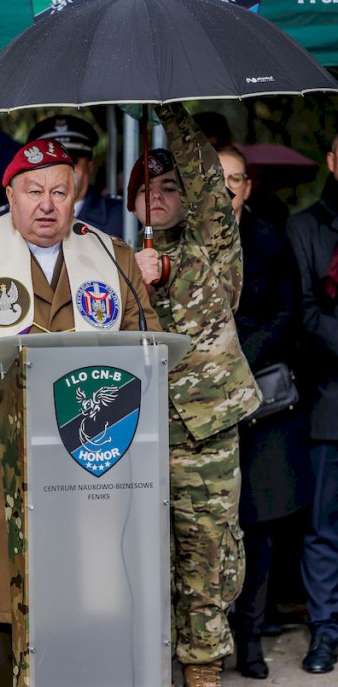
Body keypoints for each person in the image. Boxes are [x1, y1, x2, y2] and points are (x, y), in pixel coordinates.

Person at [0, 137, 161, 687]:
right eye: (33, 191)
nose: (47, 204)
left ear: (77, 196)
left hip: (92, 459)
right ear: (10, 195)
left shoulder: (110, 255)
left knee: (90, 603)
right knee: (0, 611)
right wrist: (5, 353)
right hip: (2, 451)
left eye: (59, 190)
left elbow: (141, 333)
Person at [127, 104, 261, 687]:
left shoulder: (211, 246)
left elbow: (209, 185)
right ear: (131, 202)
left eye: (168, 187)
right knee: (137, 560)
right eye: (146, 189)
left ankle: (202, 671)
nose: (156, 197)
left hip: (204, 433)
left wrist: (170, 113)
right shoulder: (110, 259)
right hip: (133, 434)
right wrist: (133, 279)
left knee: (208, 557)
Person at [218, 146, 311, 679]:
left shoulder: (272, 238)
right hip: (200, 410)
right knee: (204, 532)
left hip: (261, 405)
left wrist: (236, 358)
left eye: (236, 179)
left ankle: (250, 643)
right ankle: (204, 643)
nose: (228, 188)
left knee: (257, 530)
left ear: (249, 187)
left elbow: (287, 310)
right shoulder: (181, 244)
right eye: (218, 179)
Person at [286, 134, 338, 675]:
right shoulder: (305, 227)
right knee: (324, 528)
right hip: (330, 398)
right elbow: (302, 311)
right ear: (332, 161)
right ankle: (325, 630)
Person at [0, 114, 123, 236]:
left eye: (72, 161)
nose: (61, 172)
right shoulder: (2, 219)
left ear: (90, 167)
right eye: (50, 163)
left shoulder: (120, 217)